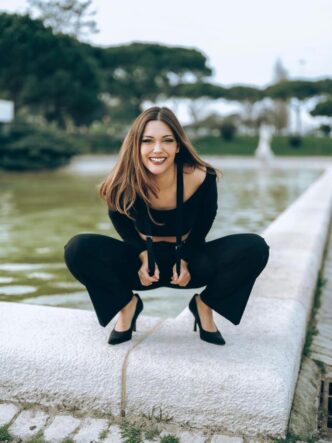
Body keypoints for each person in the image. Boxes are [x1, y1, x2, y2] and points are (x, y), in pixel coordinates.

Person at [64, 106, 270, 346]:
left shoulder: (203, 178)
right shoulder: (122, 180)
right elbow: (121, 224)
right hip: (140, 263)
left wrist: (186, 258)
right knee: (77, 248)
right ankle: (127, 306)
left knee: (255, 248)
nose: (158, 149)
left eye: (167, 141)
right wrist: (141, 254)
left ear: (178, 145)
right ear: (136, 145)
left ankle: (204, 306)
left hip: (189, 260)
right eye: (148, 141)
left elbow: (203, 227)